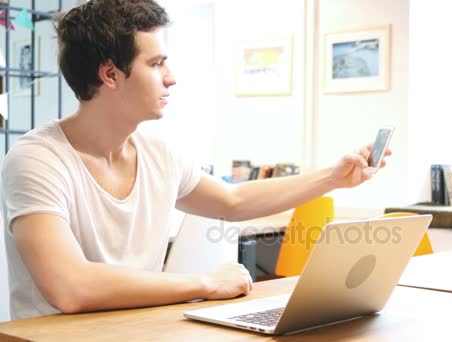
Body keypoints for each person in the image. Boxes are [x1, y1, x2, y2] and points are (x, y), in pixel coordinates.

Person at [0, 0, 390, 320]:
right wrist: (203, 284)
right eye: (156, 64)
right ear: (111, 74)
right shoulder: (36, 160)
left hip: (138, 331)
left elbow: (232, 202)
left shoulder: (159, 150)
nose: (171, 78)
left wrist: (334, 178)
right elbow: (71, 287)